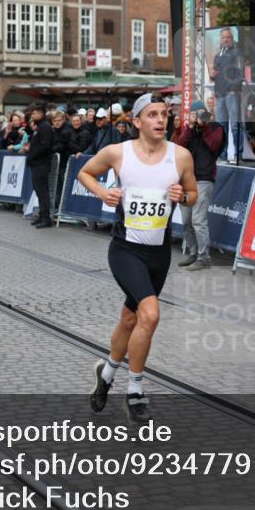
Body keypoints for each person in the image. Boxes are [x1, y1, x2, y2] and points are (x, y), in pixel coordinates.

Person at [81, 92, 197, 423]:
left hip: (158, 254)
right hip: (125, 249)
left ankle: (105, 376)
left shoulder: (181, 156)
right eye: (153, 115)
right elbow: (85, 173)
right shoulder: (117, 153)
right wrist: (104, 192)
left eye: (165, 114)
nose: (161, 120)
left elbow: (193, 195)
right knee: (151, 314)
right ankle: (135, 392)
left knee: (131, 319)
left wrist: (183, 196)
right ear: (137, 121)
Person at [175, 101, 225, 271]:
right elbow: (179, 147)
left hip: (204, 179)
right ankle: (193, 252)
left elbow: (214, 145)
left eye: (201, 113)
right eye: (195, 114)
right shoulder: (190, 129)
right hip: (186, 180)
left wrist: (203, 127)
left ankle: (204, 258)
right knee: (186, 221)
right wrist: (189, 127)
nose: (199, 117)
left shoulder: (215, 127)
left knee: (198, 220)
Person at [211, 28, 245, 160]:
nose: (225, 39)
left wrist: (233, 88)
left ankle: (238, 154)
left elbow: (241, 73)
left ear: (232, 39)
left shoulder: (237, 53)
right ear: (220, 39)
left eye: (228, 37)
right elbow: (215, 74)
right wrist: (213, 76)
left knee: (235, 125)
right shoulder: (218, 54)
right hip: (220, 94)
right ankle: (222, 155)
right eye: (223, 37)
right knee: (221, 127)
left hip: (232, 93)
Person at [26, 107, 55, 228]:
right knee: (39, 191)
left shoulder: (45, 127)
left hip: (41, 164)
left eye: (34, 113)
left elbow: (44, 146)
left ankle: (46, 218)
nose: (32, 115)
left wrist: (32, 155)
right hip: (37, 164)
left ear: (41, 113)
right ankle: (42, 215)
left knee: (43, 192)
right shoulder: (40, 127)